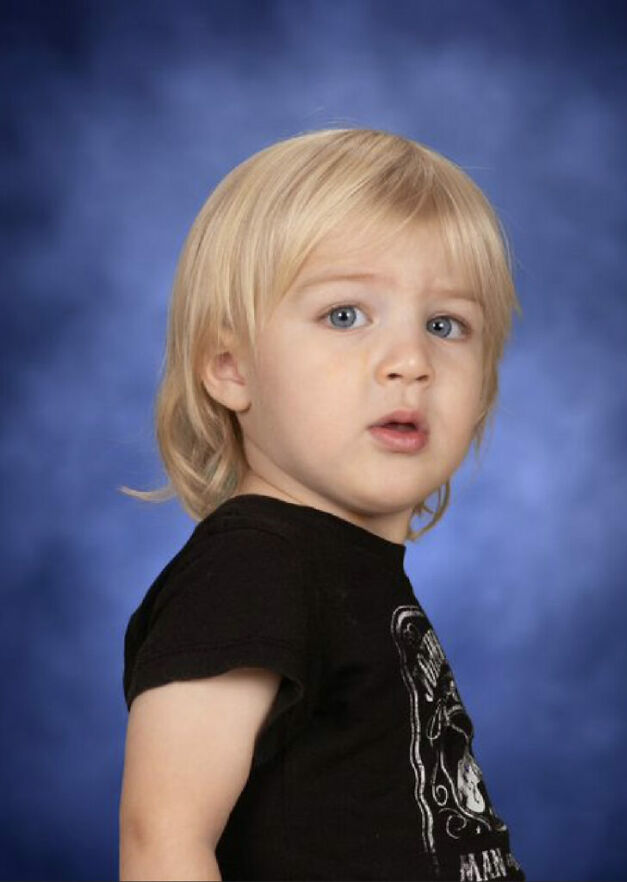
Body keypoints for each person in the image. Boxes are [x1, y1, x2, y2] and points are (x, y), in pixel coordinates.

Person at [118, 127, 526, 881]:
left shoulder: (348, 568)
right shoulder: (252, 567)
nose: (411, 362)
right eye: (346, 315)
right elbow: (162, 842)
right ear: (231, 369)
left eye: (446, 325)